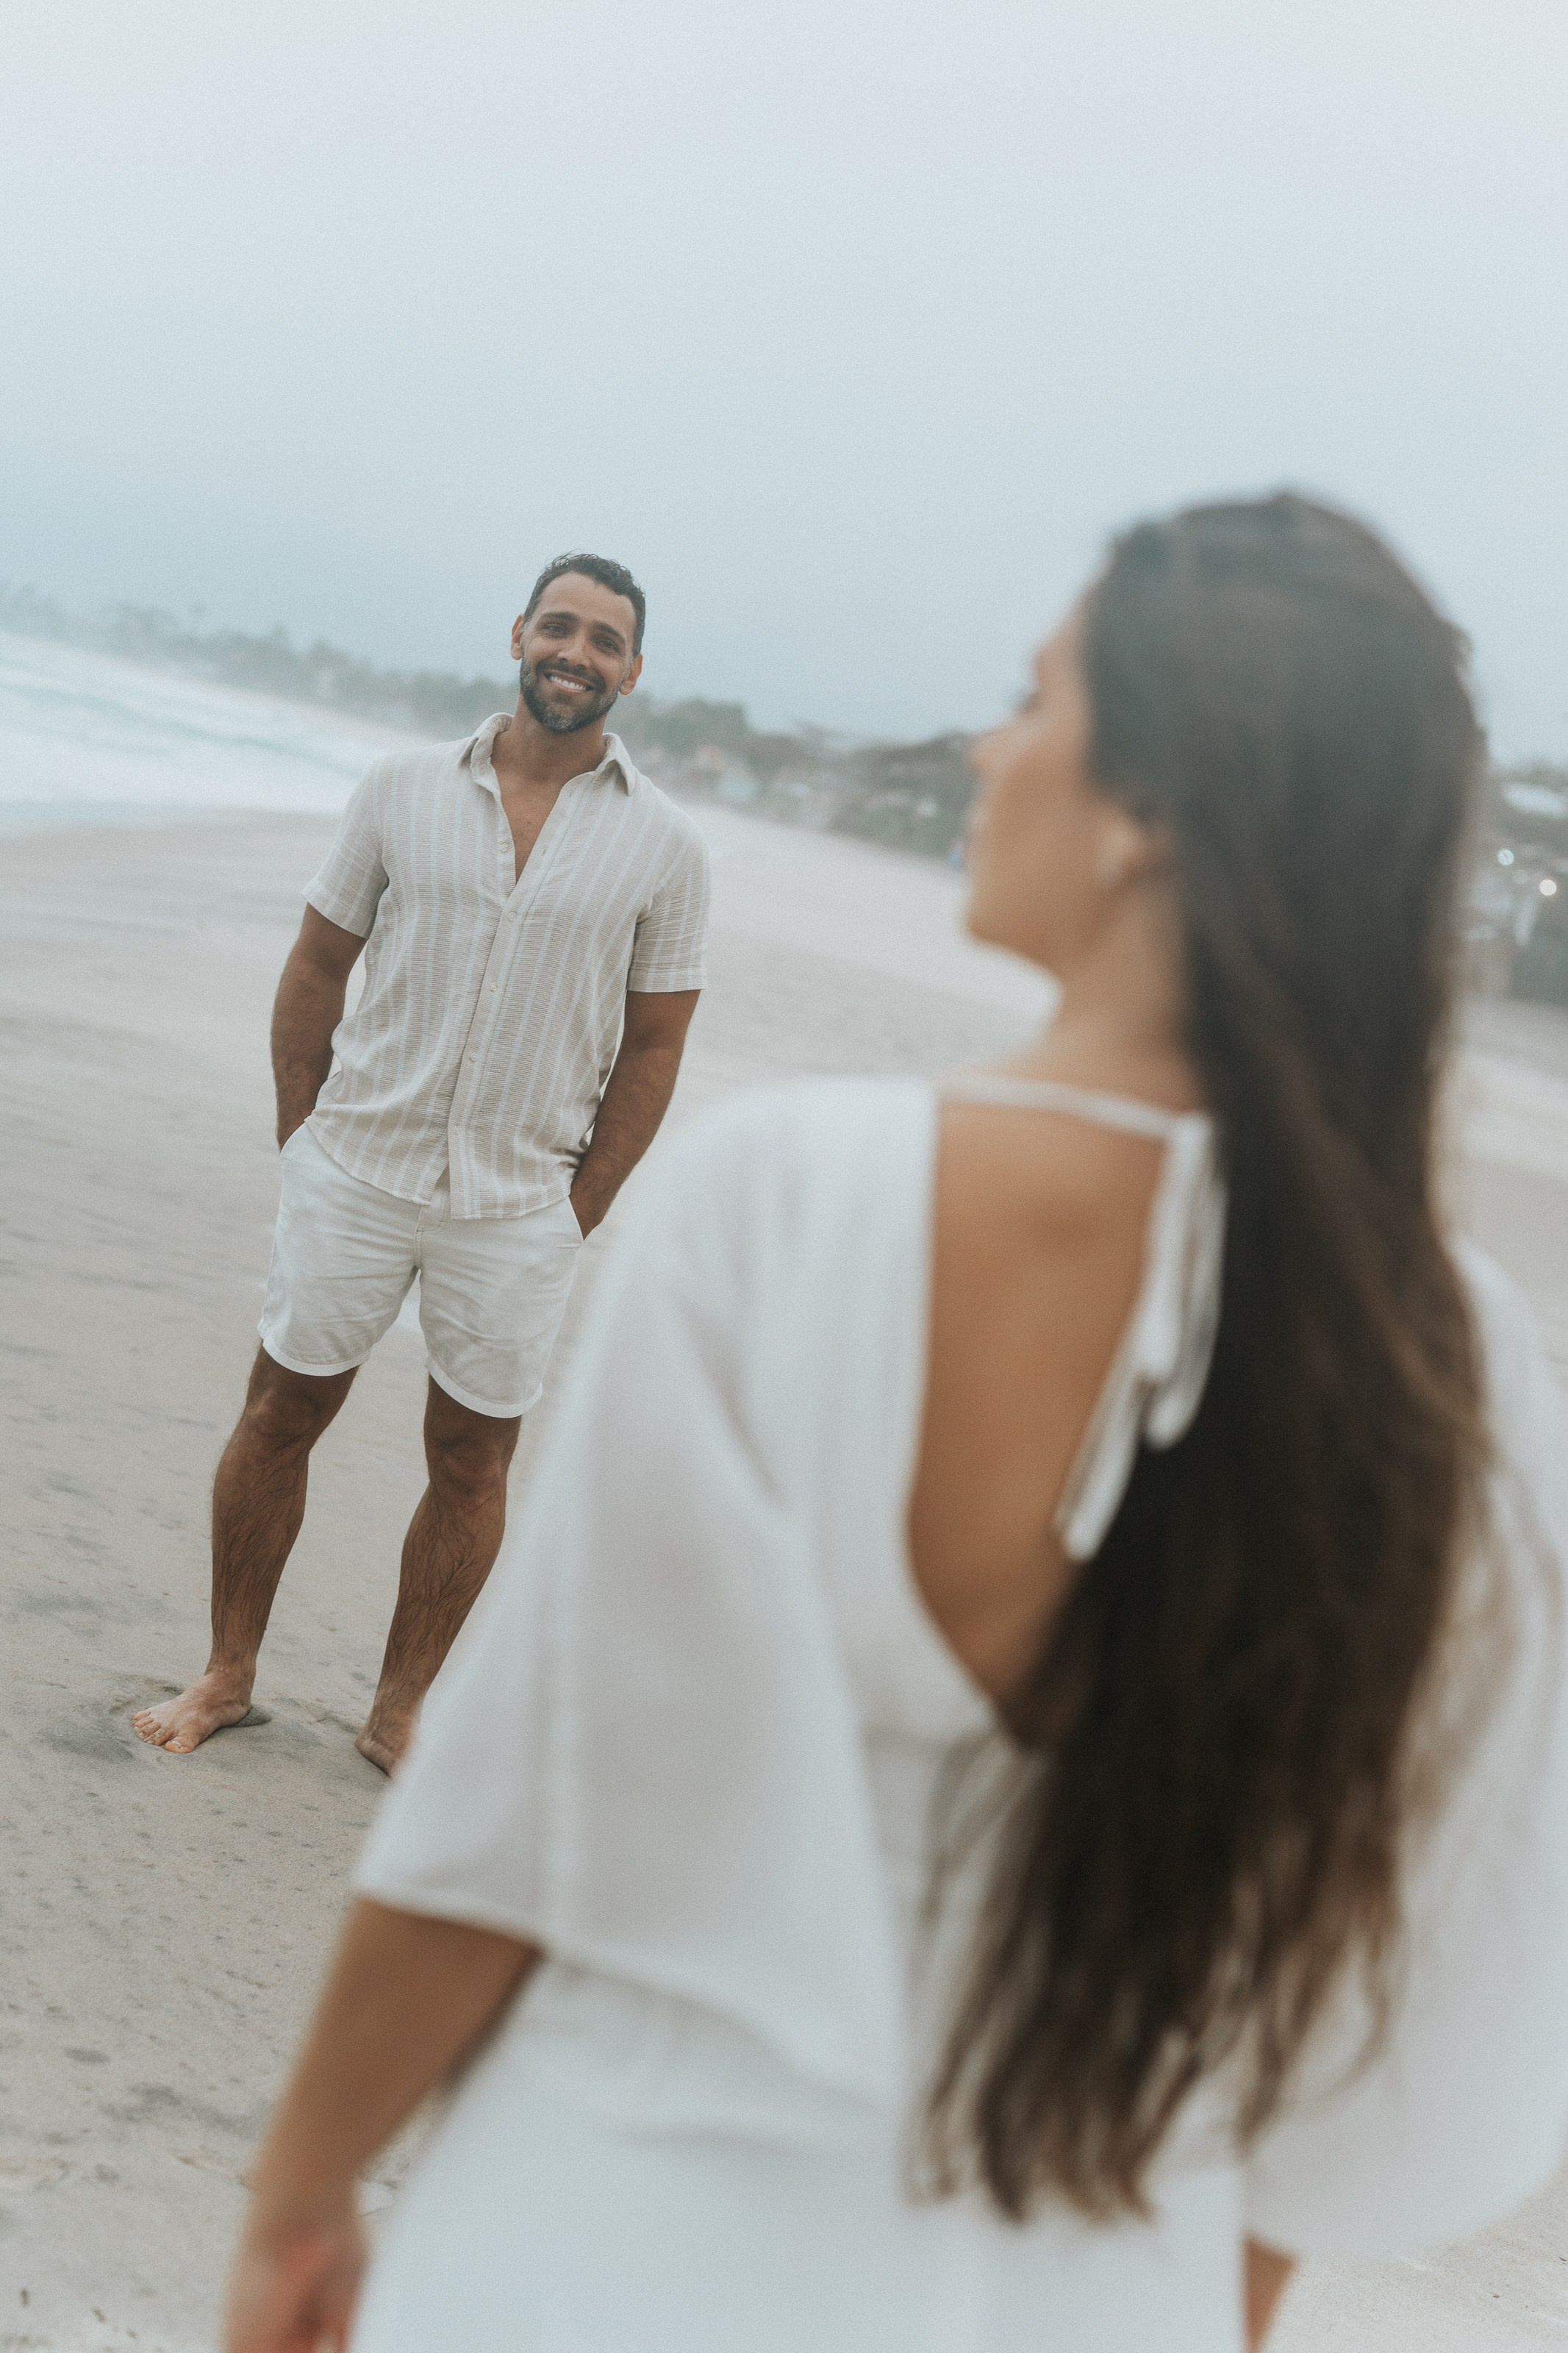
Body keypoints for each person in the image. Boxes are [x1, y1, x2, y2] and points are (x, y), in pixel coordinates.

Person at [225, 497, 1568, 2352]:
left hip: (607, 2245)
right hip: (1094, 2287)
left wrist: (301, 2198)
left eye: (1036, 697)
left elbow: (526, 1807)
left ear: (1150, 809)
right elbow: (1381, 2035)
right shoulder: (1461, 1378)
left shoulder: (787, 1208)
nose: (980, 745)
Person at [134, 552, 709, 1772]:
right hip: (355, 1164)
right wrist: (305, 1142)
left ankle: (398, 1715)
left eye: (604, 640)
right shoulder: (399, 789)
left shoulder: (664, 848)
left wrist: (576, 1209)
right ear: (518, 633)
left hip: (517, 1204)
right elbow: (315, 966)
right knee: (282, 1410)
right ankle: (229, 1672)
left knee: (471, 1458)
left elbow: (657, 1044)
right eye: (558, 626)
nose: (575, 653)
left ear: (634, 669)